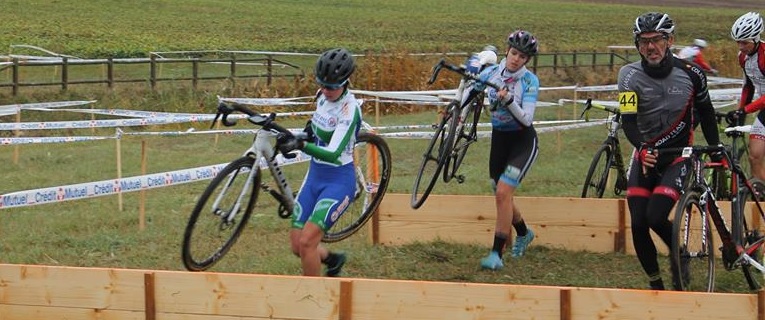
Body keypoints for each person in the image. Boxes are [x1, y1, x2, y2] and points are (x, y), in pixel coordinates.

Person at [618, 12, 720, 290]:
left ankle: (679, 257)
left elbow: (707, 112)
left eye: (657, 40)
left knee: (655, 216)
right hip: (646, 155)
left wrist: (715, 151)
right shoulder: (628, 76)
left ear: (670, 40)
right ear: (637, 44)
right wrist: (641, 147)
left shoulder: (692, 73)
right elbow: (628, 120)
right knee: (639, 223)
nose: (651, 47)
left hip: (678, 155)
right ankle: (657, 285)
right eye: (643, 41)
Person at [277, 47, 362, 277]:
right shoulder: (322, 97)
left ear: (345, 82)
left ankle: (313, 302)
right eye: (322, 84)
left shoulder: (349, 109)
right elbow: (315, 129)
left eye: (331, 87)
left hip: (338, 181)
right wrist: (302, 135)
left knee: (307, 242)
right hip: (314, 176)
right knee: (298, 246)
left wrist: (301, 145)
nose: (325, 90)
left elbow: (334, 152)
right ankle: (334, 259)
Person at [473, 30, 540, 270]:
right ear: (507, 51)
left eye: (522, 57)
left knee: (503, 192)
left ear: (527, 60)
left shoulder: (530, 81)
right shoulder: (492, 73)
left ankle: (496, 254)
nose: (516, 59)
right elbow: (472, 90)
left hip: (523, 141)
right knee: (499, 192)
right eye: (513, 53)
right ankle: (523, 232)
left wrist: (509, 100)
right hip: (500, 140)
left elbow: (526, 120)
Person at [728, 12, 765, 182]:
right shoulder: (742, 57)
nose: (741, 46)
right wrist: (739, 113)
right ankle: (761, 197)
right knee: (754, 156)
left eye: (745, 42)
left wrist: (746, 109)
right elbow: (748, 87)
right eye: (738, 41)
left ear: (756, 38)